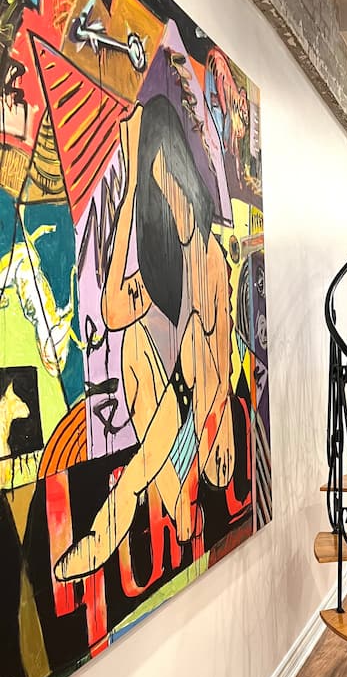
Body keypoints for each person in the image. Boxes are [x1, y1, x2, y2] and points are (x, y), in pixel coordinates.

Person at [54, 96, 235, 581]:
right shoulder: (163, 272)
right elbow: (112, 310)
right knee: (135, 339)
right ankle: (164, 507)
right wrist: (132, 184)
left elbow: (220, 367)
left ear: (186, 177)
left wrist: (213, 421)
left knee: (191, 343)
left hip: (208, 416)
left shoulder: (211, 261)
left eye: (169, 179)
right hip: (171, 412)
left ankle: (104, 538)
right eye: (157, 189)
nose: (169, 200)